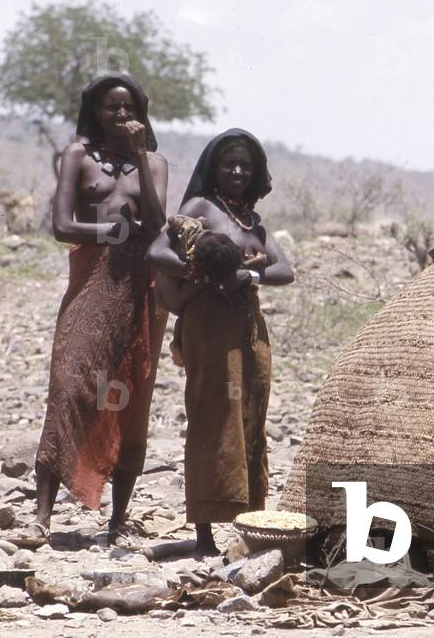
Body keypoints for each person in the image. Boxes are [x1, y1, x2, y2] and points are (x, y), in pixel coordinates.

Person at [11, 73, 169, 548]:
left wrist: (140, 154)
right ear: (95, 112)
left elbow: (157, 224)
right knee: (69, 388)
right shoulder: (77, 156)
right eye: (110, 107)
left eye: (128, 108)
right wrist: (108, 232)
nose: (120, 115)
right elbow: (61, 225)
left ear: (141, 113)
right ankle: (41, 517)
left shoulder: (155, 163)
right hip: (90, 284)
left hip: (140, 289)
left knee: (130, 397)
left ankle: (118, 519)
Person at [148, 128, 294, 555]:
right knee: (213, 415)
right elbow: (157, 252)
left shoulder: (252, 220)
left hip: (248, 327)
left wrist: (248, 273)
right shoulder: (200, 208)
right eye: (229, 163)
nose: (237, 171)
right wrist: (200, 270)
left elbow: (285, 271)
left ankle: (250, 522)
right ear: (213, 167)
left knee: (250, 413)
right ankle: (204, 535)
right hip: (209, 326)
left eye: (245, 165)